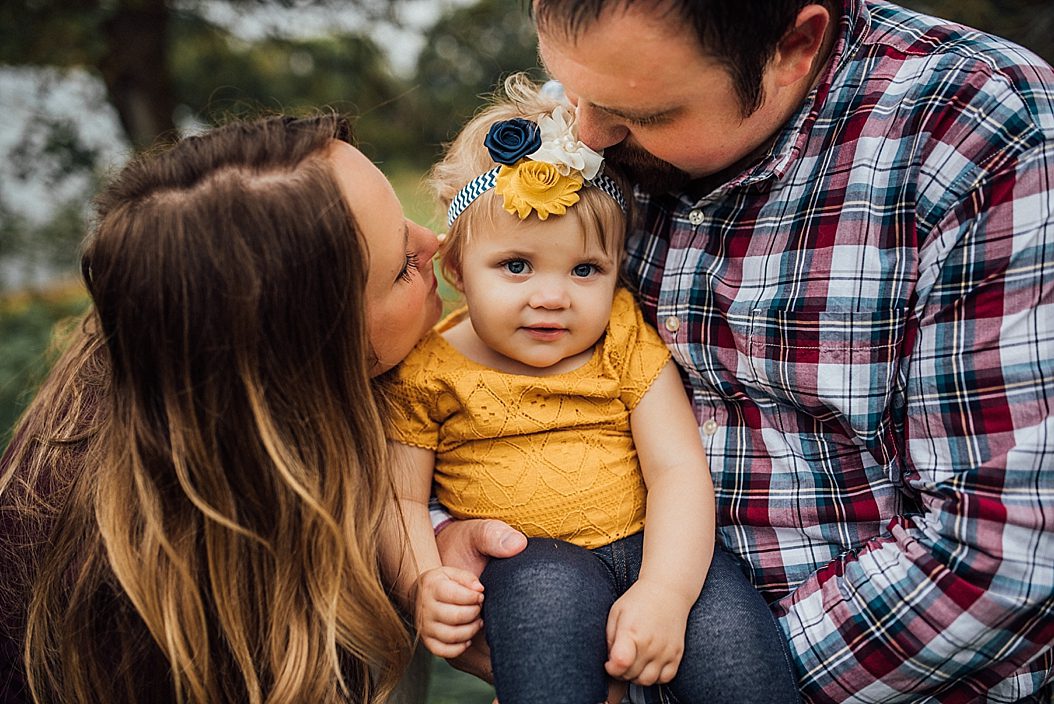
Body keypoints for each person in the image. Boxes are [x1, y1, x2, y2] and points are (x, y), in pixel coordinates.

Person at [433, 1, 1054, 701]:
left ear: (794, 46)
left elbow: (1002, 552)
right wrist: (446, 543)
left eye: (650, 114)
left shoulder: (980, 130)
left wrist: (700, 673)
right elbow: (460, 373)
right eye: (569, 89)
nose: (586, 134)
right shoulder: (603, 101)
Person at [378, 75, 801, 704]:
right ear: (457, 271)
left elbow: (676, 469)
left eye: (584, 269)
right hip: (529, 559)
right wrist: (422, 581)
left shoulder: (623, 337)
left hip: (654, 545)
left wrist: (666, 590)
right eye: (516, 266)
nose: (552, 296)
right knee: (548, 656)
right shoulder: (427, 371)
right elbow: (401, 501)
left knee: (740, 666)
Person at [0, 114, 446, 703]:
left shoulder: (169, 347)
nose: (433, 241)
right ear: (313, 362)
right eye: (401, 269)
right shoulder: (138, 594)